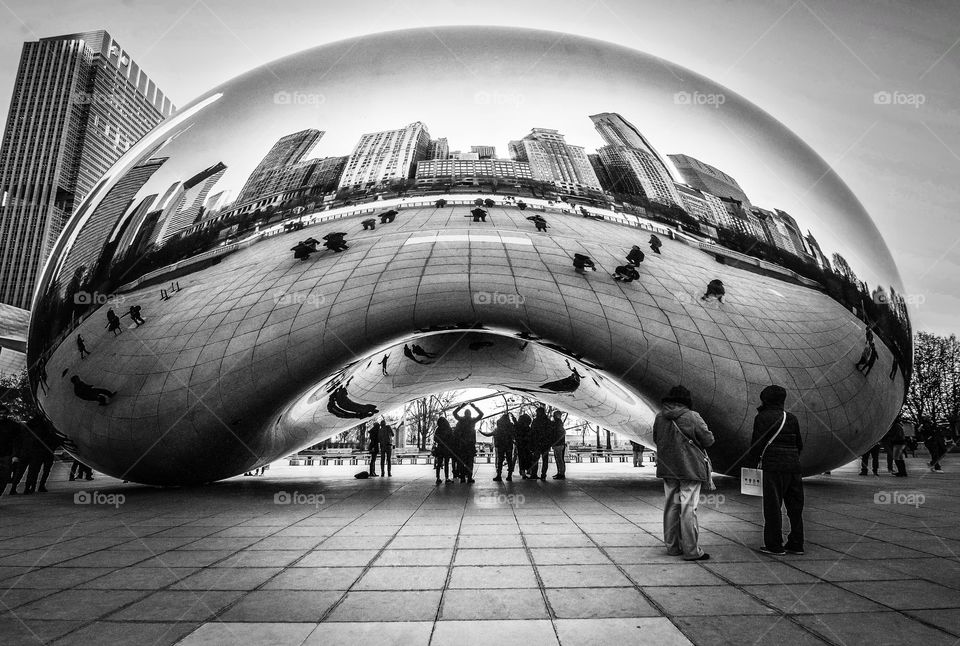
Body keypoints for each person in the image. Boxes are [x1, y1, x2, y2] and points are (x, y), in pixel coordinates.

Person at [652, 385, 714, 561]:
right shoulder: (692, 416)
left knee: (671, 506)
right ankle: (691, 551)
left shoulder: (659, 417)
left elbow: (656, 439)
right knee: (688, 508)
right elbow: (708, 440)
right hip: (690, 468)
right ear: (686, 401)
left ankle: (672, 547)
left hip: (668, 468)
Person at [749, 385, 804, 556]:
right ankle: (796, 543)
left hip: (772, 467)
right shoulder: (792, 418)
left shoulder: (762, 417)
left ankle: (774, 544)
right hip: (793, 467)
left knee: (773, 506)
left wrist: (753, 464)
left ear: (765, 398)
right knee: (795, 507)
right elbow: (799, 445)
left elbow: (757, 444)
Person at [452, 403, 484, 483]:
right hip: (470, 444)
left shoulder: (461, 420)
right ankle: (469, 477)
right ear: (470, 414)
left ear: (464, 414)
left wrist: (461, 406)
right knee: (470, 462)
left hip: (462, 444)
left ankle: (462, 477)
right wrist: (474, 407)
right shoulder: (472, 420)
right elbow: (481, 414)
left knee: (462, 462)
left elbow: (454, 413)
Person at [480, 412, 516, 481]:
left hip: (500, 446)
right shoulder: (511, 427)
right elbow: (515, 434)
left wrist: (481, 432)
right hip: (509, 446)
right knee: (509, 460)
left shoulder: (498, 428)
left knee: (500, 461)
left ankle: (499, 475)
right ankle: (509, 476)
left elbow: (489, 434)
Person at [528, 407, 552, 481]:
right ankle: (543, 475)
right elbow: (550, 433)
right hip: (545, 444)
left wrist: (531, 444)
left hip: (537, 444)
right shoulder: (548, 421)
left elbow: (531, 433)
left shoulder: (535, 421)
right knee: (545, 460)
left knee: (535, 460)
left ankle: (534, 474)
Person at [433, 417, 454, 484]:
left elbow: (435, 439)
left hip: (440, 448)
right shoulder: (448, 429)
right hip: (447, 448)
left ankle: (438, 478)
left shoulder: (438, 429)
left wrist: (440, 441)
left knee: (439, 464)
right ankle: (447, 478)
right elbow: (451, 438)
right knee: (446, 463)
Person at [514, 411, 533, 479]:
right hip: (527, 446)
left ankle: (523, 472)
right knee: (528, 458)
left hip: (520, 445)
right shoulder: (528, 429)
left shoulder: (518, 428)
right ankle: (528, 470)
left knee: (521, 459)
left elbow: (516, 435)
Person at [550, 411, 567, 480]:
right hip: (559, 444)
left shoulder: (557, 423)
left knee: (559, 459)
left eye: (554, 415)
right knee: (559, 459)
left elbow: (555, 434)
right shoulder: (559, 423)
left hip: (558, 444)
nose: (553, 416)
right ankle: (560, 473)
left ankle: (561, 473)